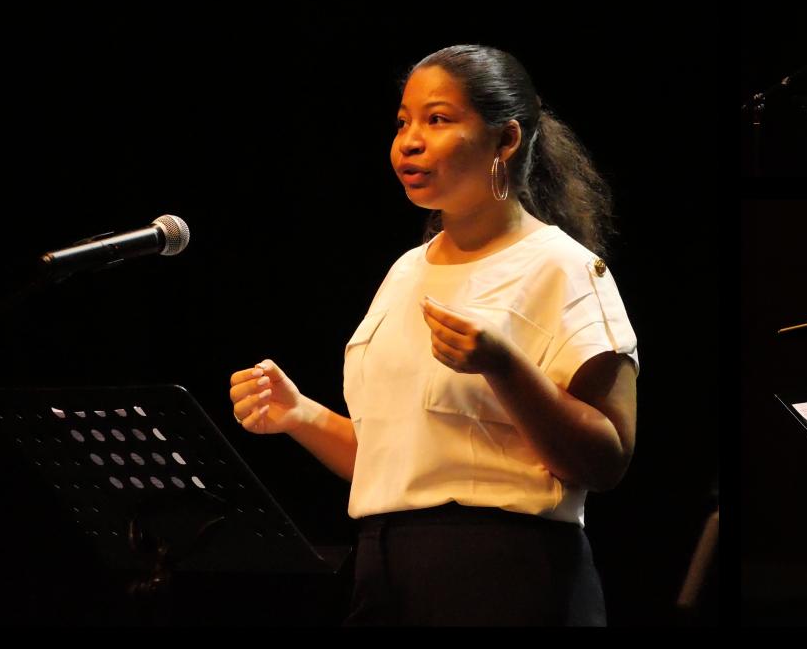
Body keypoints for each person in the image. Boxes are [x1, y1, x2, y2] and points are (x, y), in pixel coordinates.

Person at [227, 45, 639, 626]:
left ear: (505, 140)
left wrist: (503, 365)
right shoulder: (406, 271)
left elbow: (606, 460)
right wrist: (301, 415)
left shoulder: (561, 268)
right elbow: (401, 462)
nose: (409, 141)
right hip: (384, 569)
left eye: (438, 119)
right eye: (403, 122)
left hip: (506, 575)